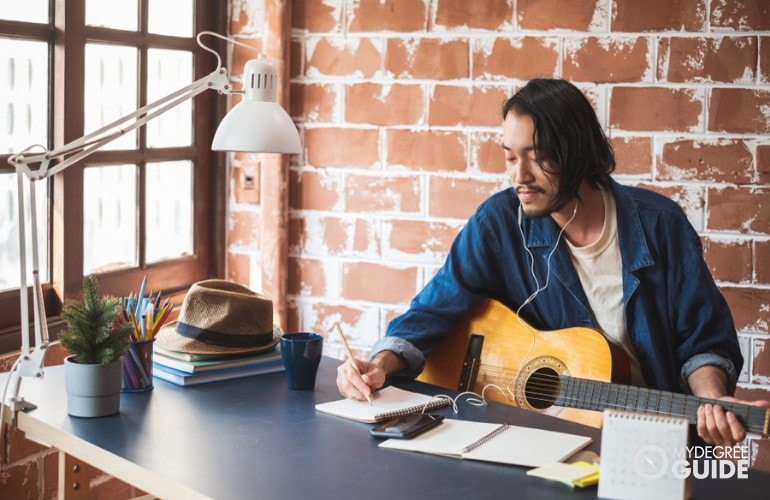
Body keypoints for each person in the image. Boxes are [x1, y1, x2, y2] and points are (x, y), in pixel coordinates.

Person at [337, 78, 769, 447]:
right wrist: (379, 366)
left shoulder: (659, 225)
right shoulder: (499, 223)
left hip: (651, 440)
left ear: (577, 152)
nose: (519, 176)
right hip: (539, 436)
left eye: (537, 156)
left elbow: (704, 339)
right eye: (510, 156)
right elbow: (432, 310)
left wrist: (710, 397)